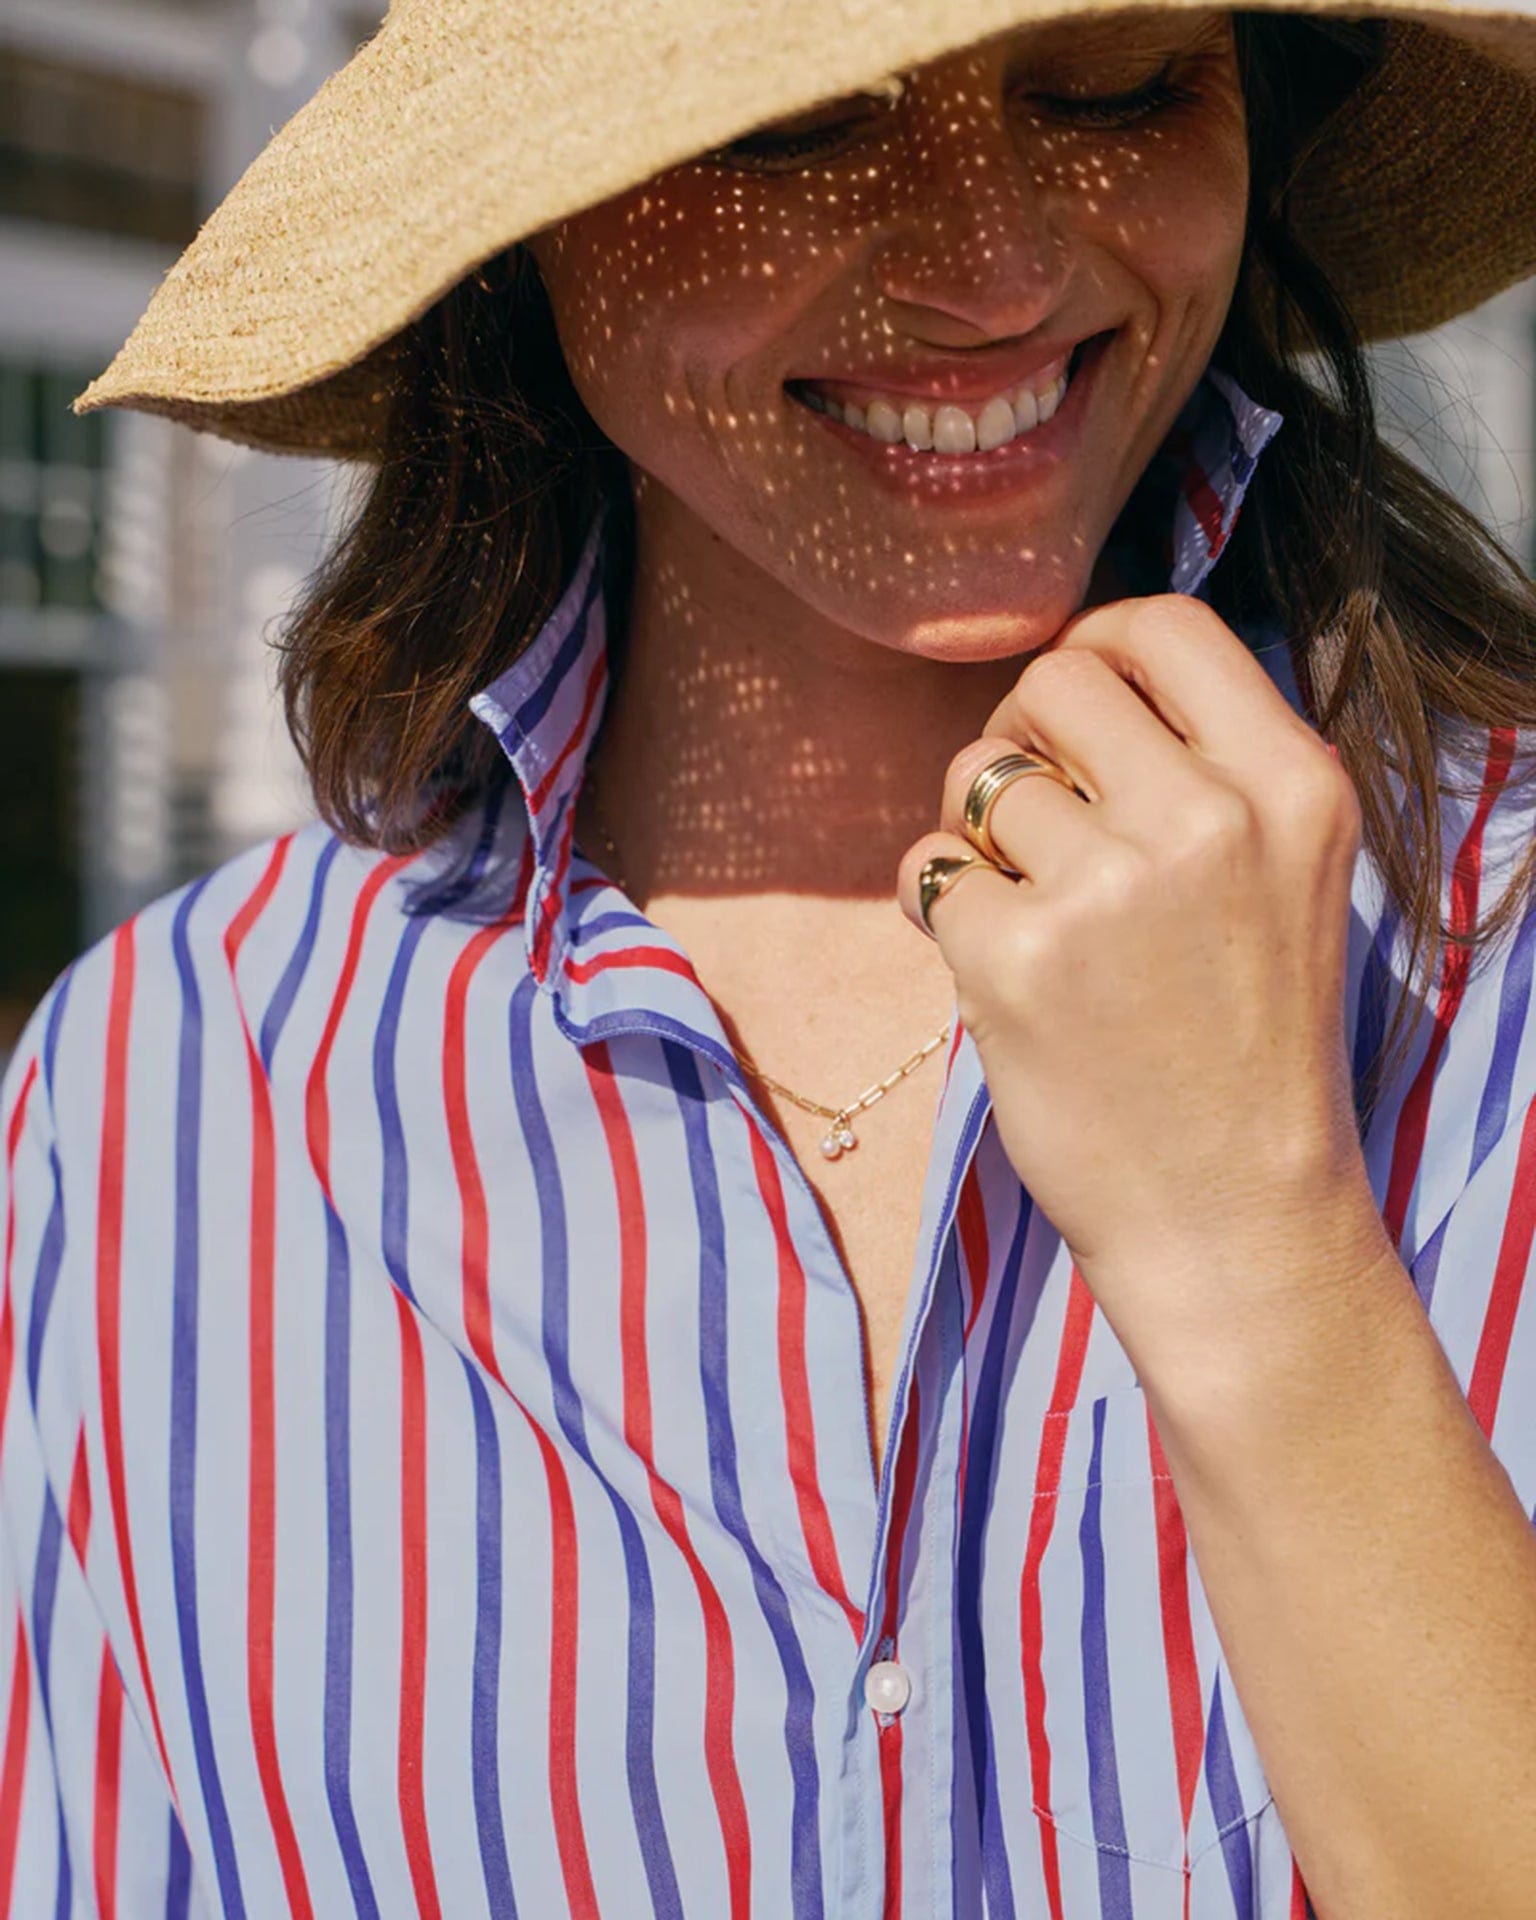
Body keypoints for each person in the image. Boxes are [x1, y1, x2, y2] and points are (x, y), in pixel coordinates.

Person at [4, 0, 1536, 1912]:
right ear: (528, 205)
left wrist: (1262, 1255)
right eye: (799, 126)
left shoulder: (1500, 944)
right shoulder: (162, 1107)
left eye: (1116, 91)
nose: (994, 274)